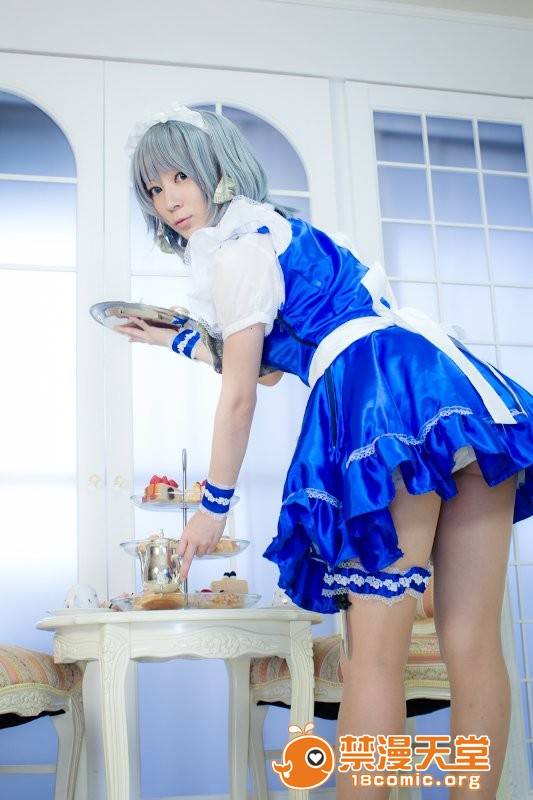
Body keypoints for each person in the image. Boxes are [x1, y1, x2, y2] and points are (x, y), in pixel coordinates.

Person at [116, 104, 533, 799]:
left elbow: (242, 396)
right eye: (154, 189)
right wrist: (176, 339)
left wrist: (212, 508)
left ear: (217, 167)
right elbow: (271, 364)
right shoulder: (278, 231)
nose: (169, 200)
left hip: (379, 404)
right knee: (472, 640)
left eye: (180, 176)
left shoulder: (236, 254)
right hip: (449, 391)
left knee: (373, 657)